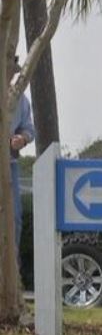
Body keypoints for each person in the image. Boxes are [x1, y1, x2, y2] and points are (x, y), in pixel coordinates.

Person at [7, 56, 35, 263]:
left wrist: (22, 139)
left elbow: (28, 128)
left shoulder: (20, 99)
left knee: (14, 219)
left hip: (9, 166)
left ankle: (11, 271)